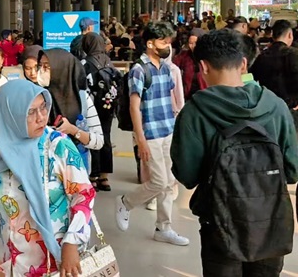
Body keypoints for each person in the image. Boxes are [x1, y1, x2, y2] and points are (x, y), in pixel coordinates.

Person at [172, 28, 298, 276]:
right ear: (243, 64)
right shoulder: (276, 106)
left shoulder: (195, 112)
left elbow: (187, 175)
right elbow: (292, 171)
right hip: (271, 219)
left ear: (204, 67)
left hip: (220, 222)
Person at [0, 80, 95, 277]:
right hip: (15, 258)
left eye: (43, 107)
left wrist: (72, 241)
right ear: (11, 116)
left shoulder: (57, 147)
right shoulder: (0, 143)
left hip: (55, 260)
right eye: (30, 112)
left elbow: (84, 194)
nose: (41, 118)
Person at [115, 21, 189, 246]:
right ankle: (126, 202)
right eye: (163, 41)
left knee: (169, 182)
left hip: (168, 130)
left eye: (169, 41)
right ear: (149, 43)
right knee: (158, 181)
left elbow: (168, 100)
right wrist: (141, 140)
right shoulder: (139, 70)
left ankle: (163, 228)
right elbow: (133, 107)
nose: (168, 45)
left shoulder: (166, 68)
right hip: (151, 134)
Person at [38, 49, 104, 173]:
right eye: (40, 66)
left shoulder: (82, 100)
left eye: (46, 66)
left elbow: (99, 141)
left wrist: (73, 130)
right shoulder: (38, 97)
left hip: (75, 175)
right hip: (42, 173)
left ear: (61, 68)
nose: (41, 71)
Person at [81, 33, 117, 191]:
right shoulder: (108, 61)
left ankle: (93, 176)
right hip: (108, 106)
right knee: (106, 138)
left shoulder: (85, 63)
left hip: (92, 106)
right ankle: (105, 177)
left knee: (93, 137)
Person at [250, 20, 298, 127]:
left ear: (273, 35)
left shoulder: (261, 57)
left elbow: (252, 79)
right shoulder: (294, 54)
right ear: (290, 35)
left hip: (267, 108)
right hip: (291, 108)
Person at [172, 29, 207, 101]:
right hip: (188, 97)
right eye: (190, 43)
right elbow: (173, 66)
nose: (193, 46)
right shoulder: (184, 56)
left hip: (205, 98)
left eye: (196, 43)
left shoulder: (209, 57)